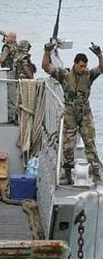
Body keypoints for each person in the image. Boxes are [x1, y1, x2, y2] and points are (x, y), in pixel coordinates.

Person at [42, 41, 103, 184]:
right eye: (81, 66)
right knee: (68, 144)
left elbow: (101, 68)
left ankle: (96, 174)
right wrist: (47, 52)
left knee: (89, 142)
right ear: (75, 64)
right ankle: (67, 174)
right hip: (70, 111)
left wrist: (100, 54)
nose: (83, 68)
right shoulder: (64, 75)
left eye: (85, 66)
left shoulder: (89, 75)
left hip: (85, 111)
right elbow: (45, 66)